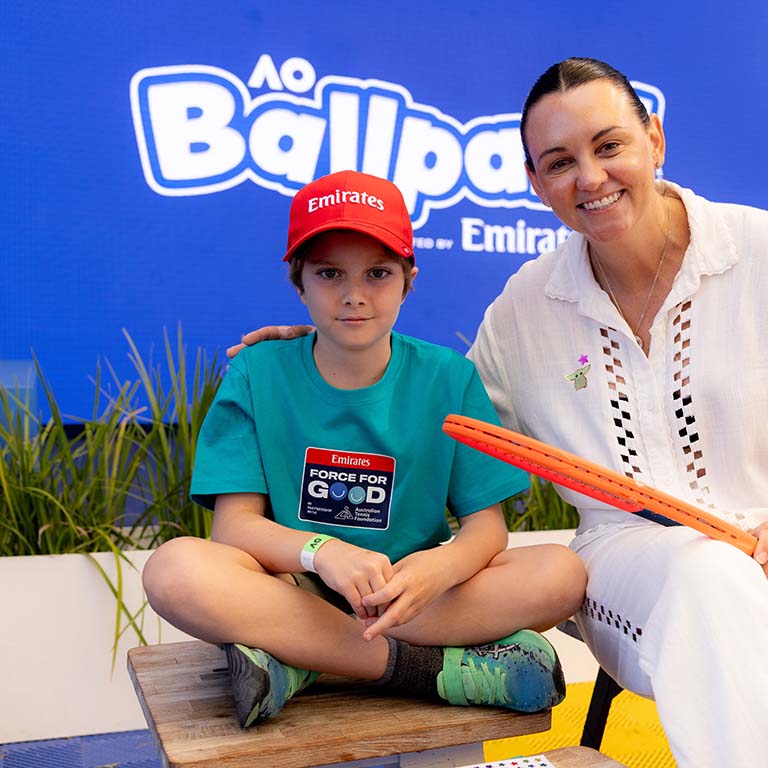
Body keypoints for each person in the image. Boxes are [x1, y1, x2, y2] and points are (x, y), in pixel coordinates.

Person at [233, 59, 768, 766]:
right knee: (711, 579)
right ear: (535, 183)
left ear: (654, 138)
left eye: (609, 145)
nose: (589, 177)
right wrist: (335, 351)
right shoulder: (526, 309)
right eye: (560, 162)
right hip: (635, 571)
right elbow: (439, 412)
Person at [142, 170, 587, 729]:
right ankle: (430, 671)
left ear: (408, 281)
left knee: (560, 573)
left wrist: (438, 568)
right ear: (298, 281)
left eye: (378, 273)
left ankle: (299, 660)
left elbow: (486, 530)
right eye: (329, 273)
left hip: (408, 601)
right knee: (174, 571)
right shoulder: (257, 372)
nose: (354, 294)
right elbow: (234, 530)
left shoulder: (449, 378)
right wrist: (322, 552)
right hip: (291, 588)